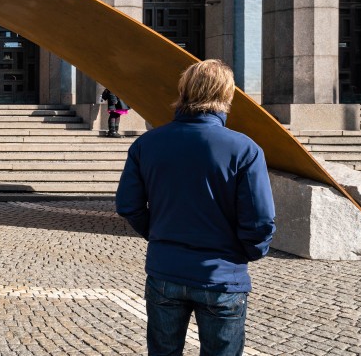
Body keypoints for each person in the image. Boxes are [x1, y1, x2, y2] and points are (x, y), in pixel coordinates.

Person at [115, 59, 276, 356]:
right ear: (227, 95)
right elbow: (260, 219)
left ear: (184, 91)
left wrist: (158, 233)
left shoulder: (147, 144)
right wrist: (250, 252)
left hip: (166, 269)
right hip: (222, 275)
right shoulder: (244, 149)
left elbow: (128, 205)